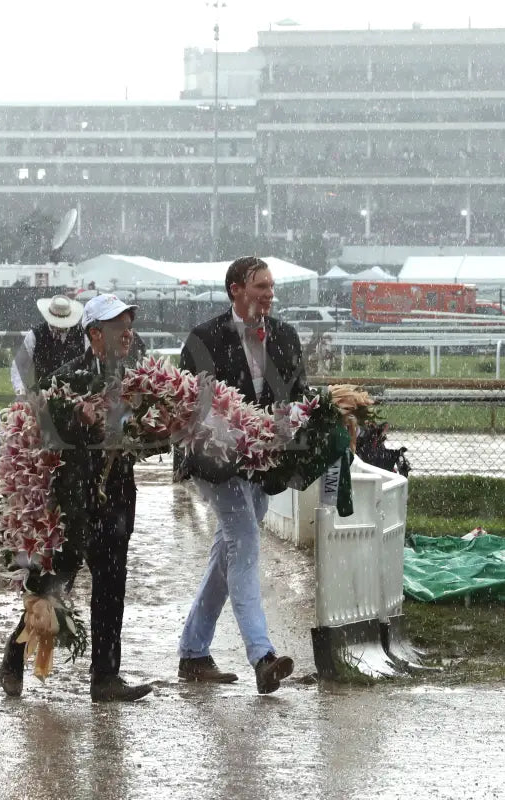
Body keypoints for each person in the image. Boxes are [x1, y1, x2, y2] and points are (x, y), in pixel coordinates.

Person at [0, 294, 152, 703]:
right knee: (54, 585)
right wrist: (76, 419)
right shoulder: (67, 379)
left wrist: (151, 432)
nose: (128, 333)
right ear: (95, 334)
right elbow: (44, 432)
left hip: (118, 498)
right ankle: (15, 652)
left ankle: (105, 677)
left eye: (130, 324)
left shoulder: (138, 381)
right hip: (76, 502)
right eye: (119, 325)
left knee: (111, 585)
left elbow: (149, 441)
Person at [176, 256, 307, 695]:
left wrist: (291, 432)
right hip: (214, 463)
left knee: (228, 552)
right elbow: (187, 405)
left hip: (262, 464)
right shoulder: (203, 339)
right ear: (235, 289)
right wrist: (228, 434)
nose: (269, 294)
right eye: (260, 287)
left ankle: (193, 652)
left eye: (272, 287)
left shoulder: (286, 337)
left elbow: (297, 398)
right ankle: (262, 657)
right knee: (246, 540)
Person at [10, 294, 85, 396]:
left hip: (79, 397)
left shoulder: (83, 335)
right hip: (43, 398)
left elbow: (94, 363)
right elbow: (19, 365)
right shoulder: (35, 335)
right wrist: (20, 389)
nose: (59, 327)